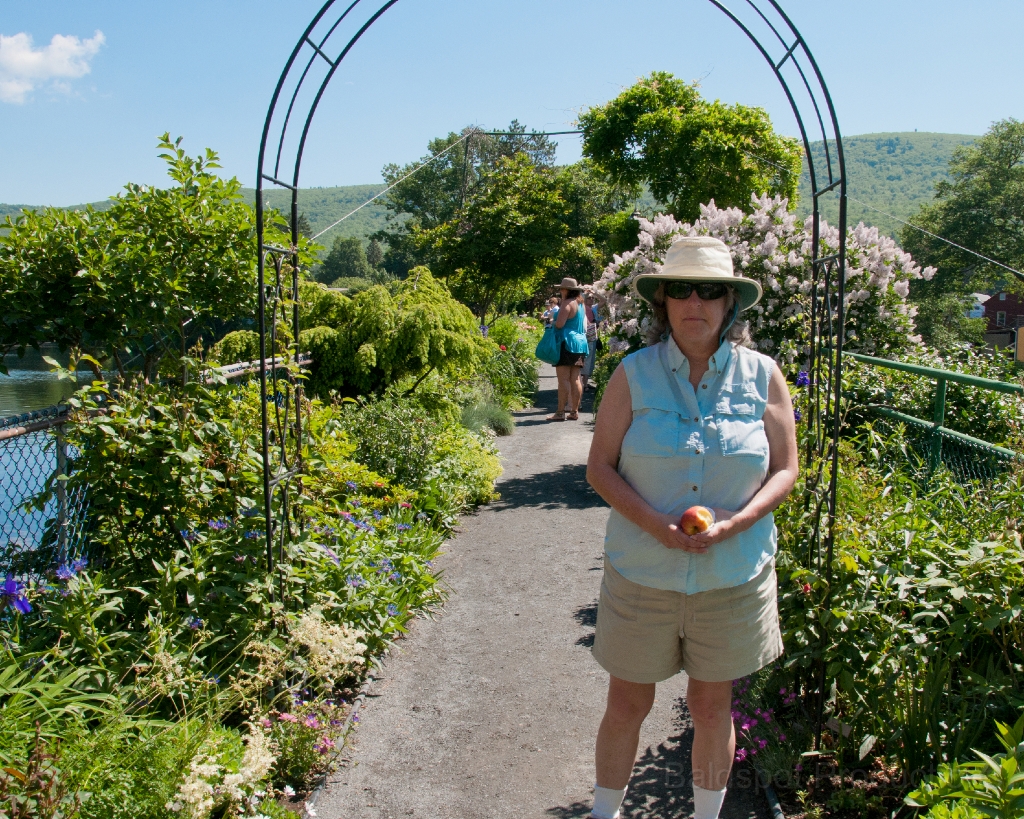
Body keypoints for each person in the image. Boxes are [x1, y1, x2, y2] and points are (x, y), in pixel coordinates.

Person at [584, 236, 799, 819]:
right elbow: (599, 468)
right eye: (681, 289)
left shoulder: (764, 376)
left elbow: (786, 468)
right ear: (664, 302)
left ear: (730, 303)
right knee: (626, 702)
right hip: (643, 572)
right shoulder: (633, 374)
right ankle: (605, 814)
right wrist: (655, 525)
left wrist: (741, 520)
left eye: (709, 290)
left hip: (731, 575)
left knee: (711, 707)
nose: (694, 301)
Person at [549, 277, 590, 421]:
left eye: (561, 288)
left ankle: (560, 412)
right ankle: (574, 411)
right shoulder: (581, 304)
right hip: (580, 344)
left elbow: (560, 324)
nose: (560, 291)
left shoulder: (567, 303)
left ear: (566, 290)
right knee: (575, 379)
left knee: (563, 380)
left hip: (567, 343)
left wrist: (552, 321)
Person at [582, 292, 602, 387]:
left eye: (592, 298)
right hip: (588, 336)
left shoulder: (592, 308)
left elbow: (604, 301)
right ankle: (584, 384)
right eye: (589, 298)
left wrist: (594, 292)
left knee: (589, 358)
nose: (591, 299)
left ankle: (584, 382)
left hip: (591, 335)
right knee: (587, 358)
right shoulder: (582, 308)